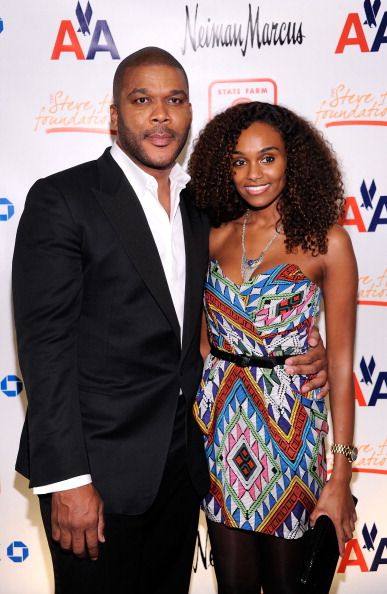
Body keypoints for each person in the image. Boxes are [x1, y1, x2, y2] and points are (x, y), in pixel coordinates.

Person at [12, 49, 328, 594]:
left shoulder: (202, 209)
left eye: (174, 100)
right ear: (114, 116)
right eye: (142, 100)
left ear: (188, 114)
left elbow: (233, 312)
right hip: (97, 480)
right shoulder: (63, 199)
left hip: (184, 474)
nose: (161, 115)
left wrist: (302, 347)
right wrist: (68, 481)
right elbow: (45, 353)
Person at [188, 101, 357, 594]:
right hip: (220, 432)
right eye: (239, 161)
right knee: (233, 586)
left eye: (268, 158)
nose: (253, 173)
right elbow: (200, 342)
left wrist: (340, 475)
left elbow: (342, 366)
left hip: (292, 430)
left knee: (291, 585)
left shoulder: (328, 242)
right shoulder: (214, 235)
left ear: (293, 161)